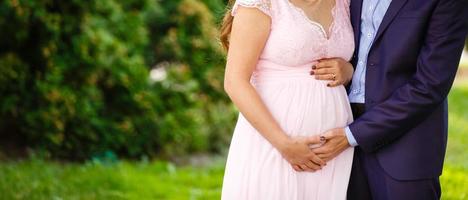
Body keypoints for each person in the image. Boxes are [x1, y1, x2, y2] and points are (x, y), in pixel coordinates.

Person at [310, 0, 468, 199]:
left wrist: (352, 135)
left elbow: (430, 86)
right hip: (341, 138)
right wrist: (349, 69)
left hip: (405, 147)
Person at [219, 0, 356, 199]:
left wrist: (349, 70)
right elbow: (235, 82)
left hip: (333, 152)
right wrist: (285, 144)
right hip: (275, 142)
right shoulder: (260, 4)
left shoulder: (344, 2)